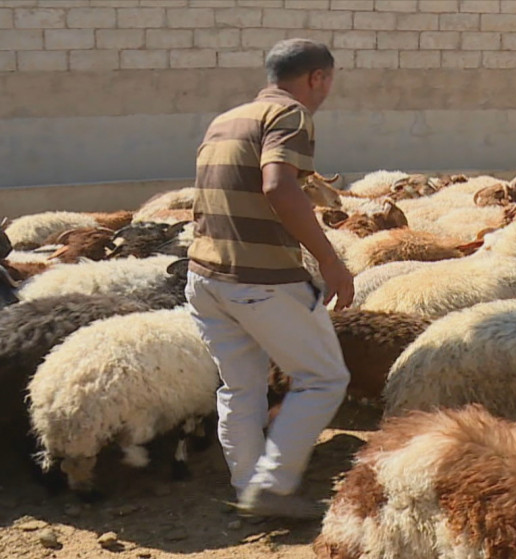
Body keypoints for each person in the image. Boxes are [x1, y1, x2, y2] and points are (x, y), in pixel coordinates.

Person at [184, 38, 353, 520]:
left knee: (241, 388)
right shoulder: (290, 115)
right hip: (260, 279)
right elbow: (277, 184)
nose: (327, 90)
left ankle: (248, 487)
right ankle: (273, 485)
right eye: (328, 81)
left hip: (206, 277)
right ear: (317, 77)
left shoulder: (225, 120)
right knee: (323, 378)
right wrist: (329, 260)